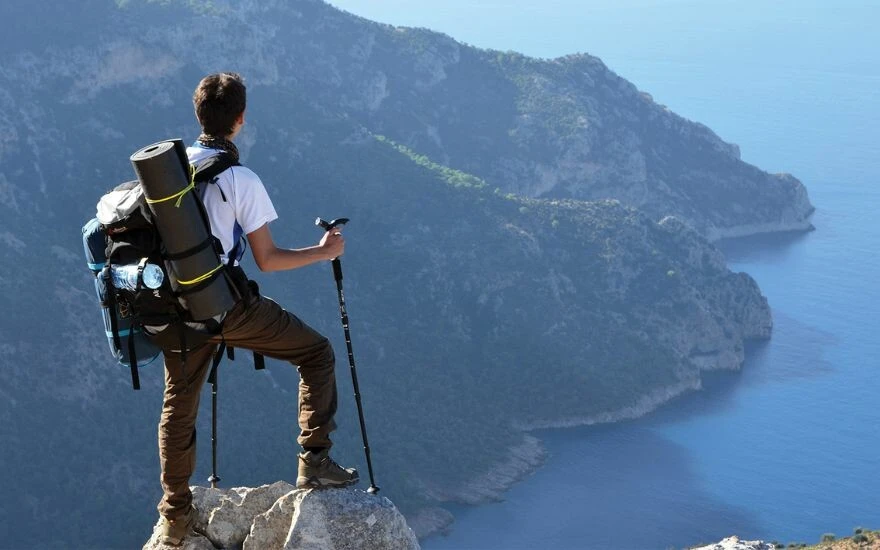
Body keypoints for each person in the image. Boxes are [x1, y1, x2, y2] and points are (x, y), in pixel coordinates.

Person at [156, 72, 358, 546]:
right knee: (317, 353)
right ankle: (314, 461)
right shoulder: (239, 179)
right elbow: (267, 260)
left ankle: (175, 515)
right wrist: (323, 252)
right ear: (240, 120)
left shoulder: (169, 173)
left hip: (176, 311)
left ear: (198, 114)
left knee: (178, 408)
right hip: (226, 309)